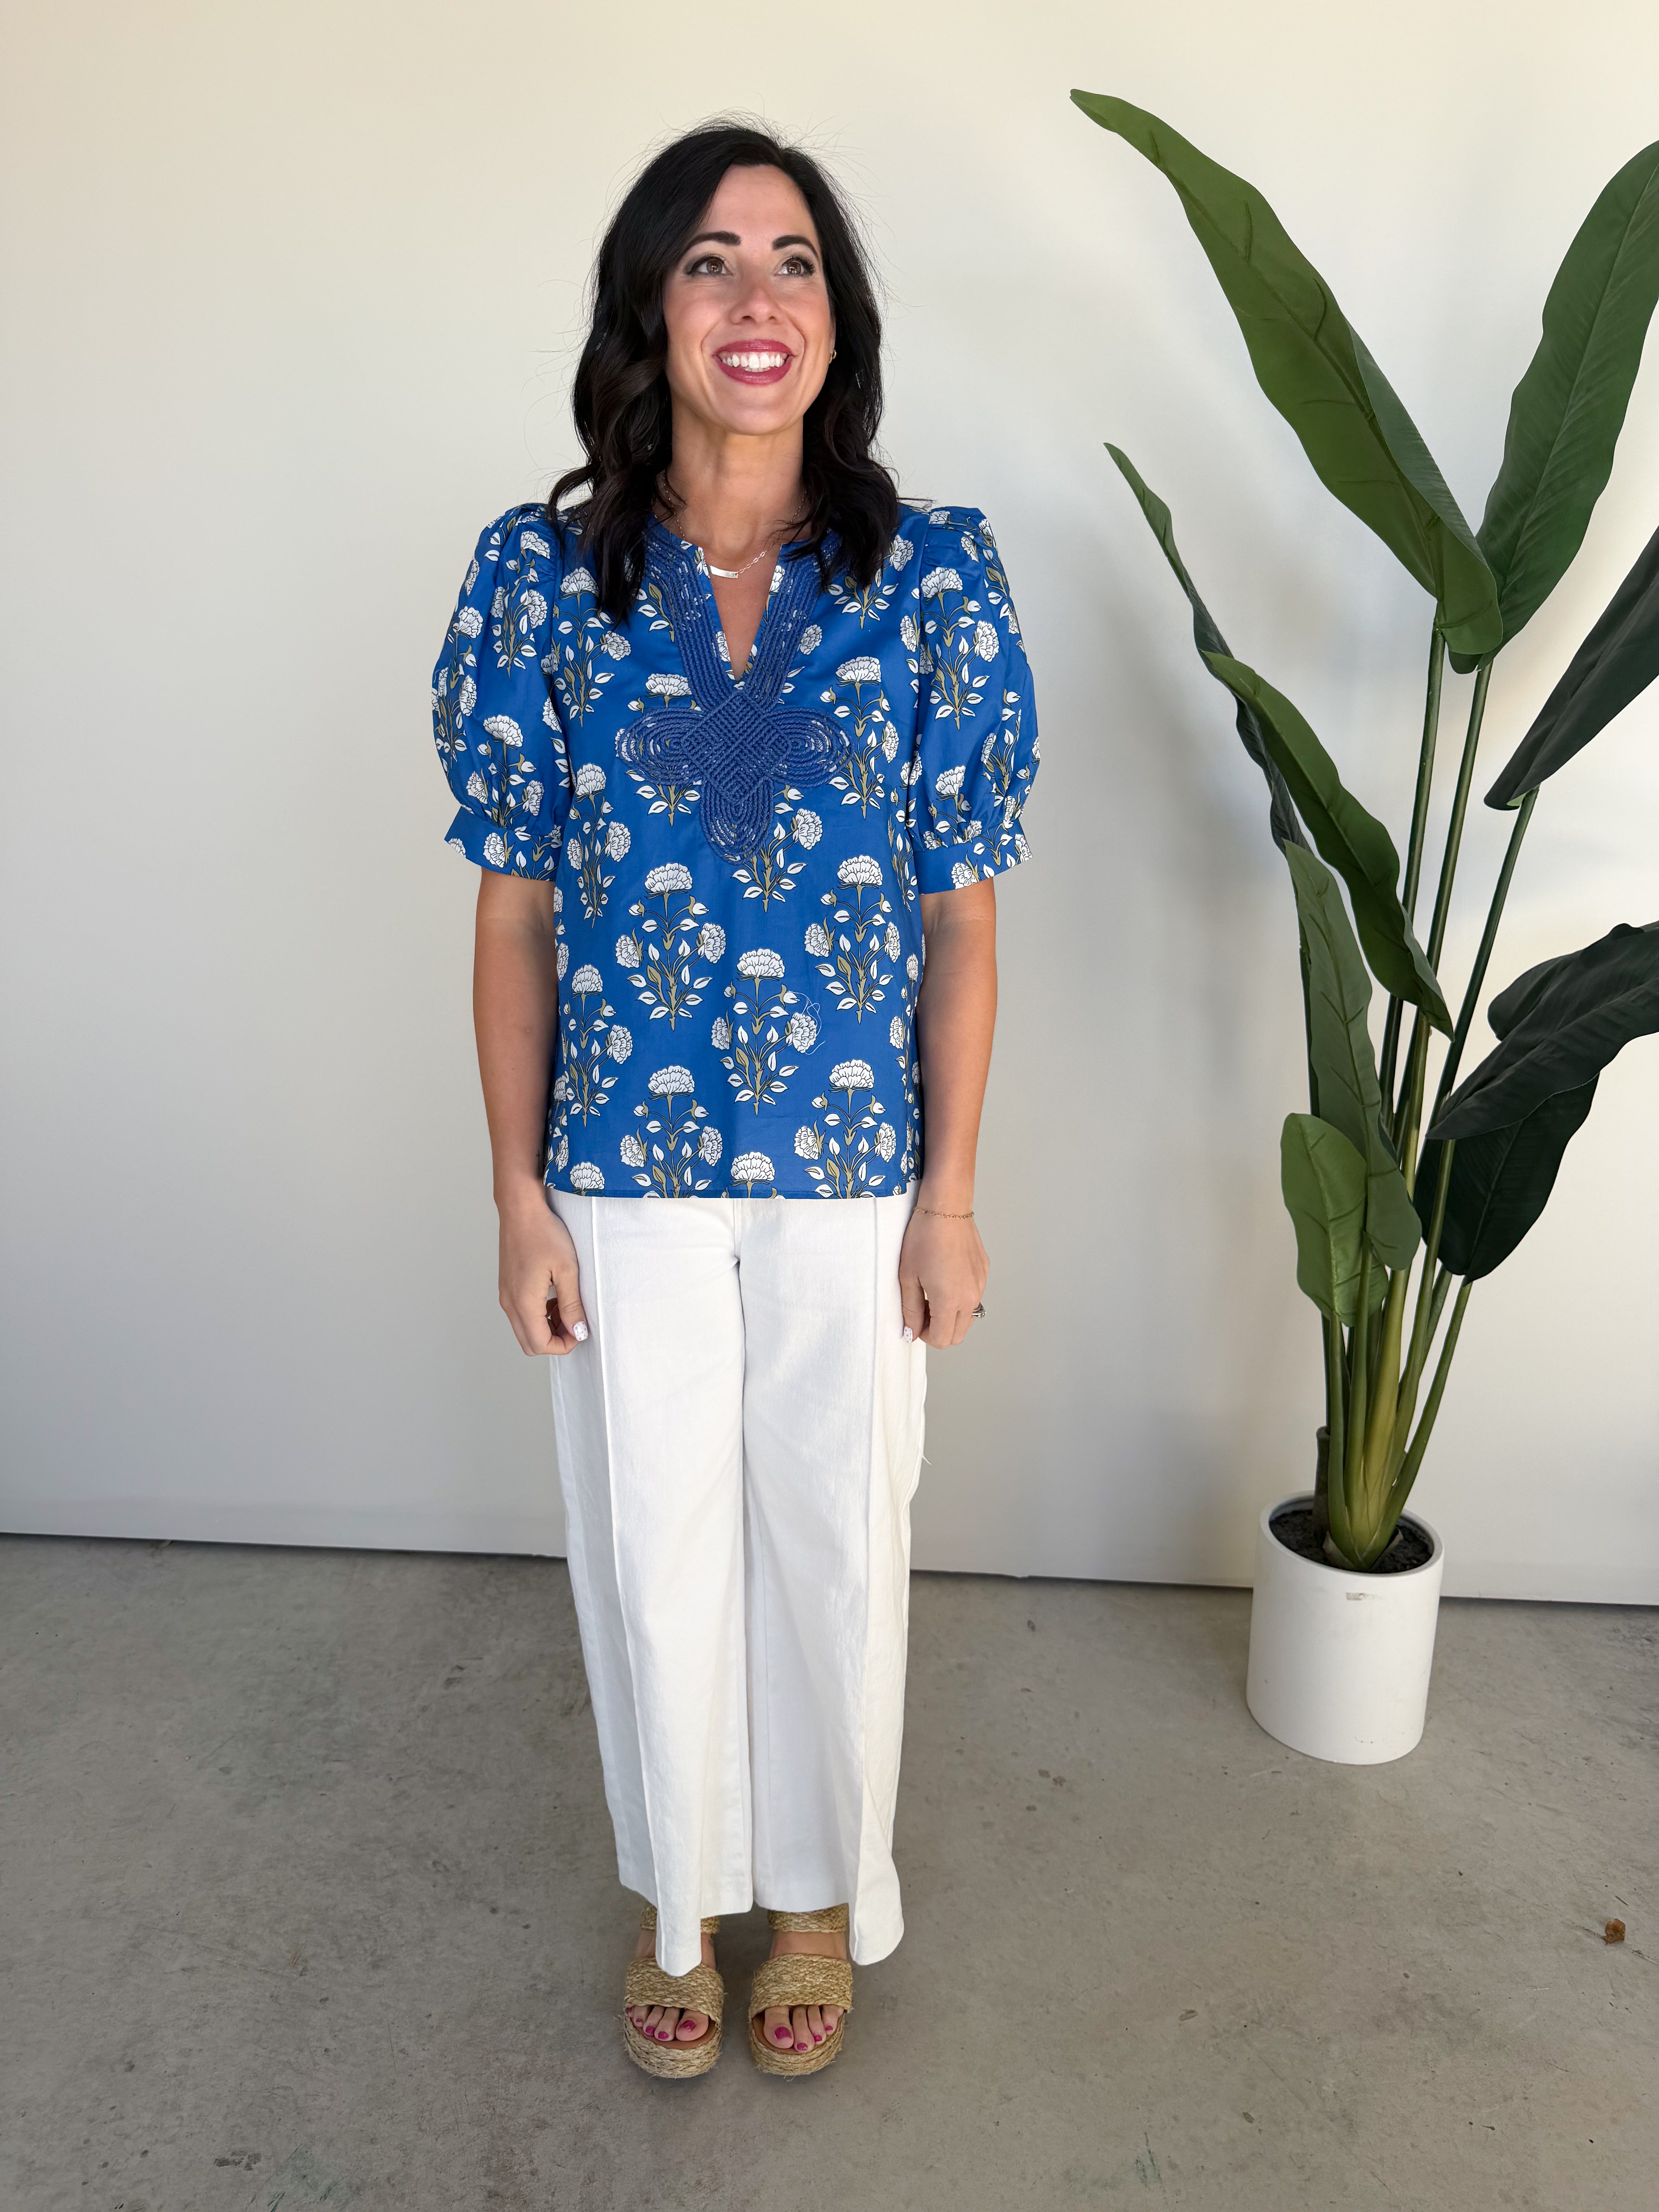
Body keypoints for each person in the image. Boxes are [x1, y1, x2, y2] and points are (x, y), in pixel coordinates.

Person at [430, 118, 1039, 2079]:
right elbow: (514, 914)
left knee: (837, 1544)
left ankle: (820, 1899)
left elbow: (961, 916)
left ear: (837, 320)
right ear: (651, 309)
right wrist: (519, 1198)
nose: (755, 298)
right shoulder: (541, 581)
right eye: (709, 261)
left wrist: (952, 1196)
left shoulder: (930, 578)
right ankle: (681, 1902)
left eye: (794, 261)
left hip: (855, 1169)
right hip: (623, 1166)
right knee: (653, 1539)